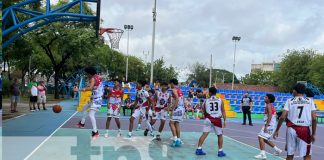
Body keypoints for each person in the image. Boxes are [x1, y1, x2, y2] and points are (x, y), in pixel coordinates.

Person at [273, 83, 317, 160]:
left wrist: (277, 130)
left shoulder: (289, 101)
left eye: (293, 90)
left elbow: (282, 117)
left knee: (290, 154)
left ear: (295, 90)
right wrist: (313, 134)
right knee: (307, 155)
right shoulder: (310, 101)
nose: (292, 92)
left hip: (291, 129)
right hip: (304, 130)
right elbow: (314, 118)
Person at [195, 87, 226, 157]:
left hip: (208, 119)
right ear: (216, 93)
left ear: (210, 93)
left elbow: (202, 108)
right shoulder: (220, 100)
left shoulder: (206, 100)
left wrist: (204, 115)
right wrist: (225, 120)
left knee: (204, 134)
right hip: (217, 120)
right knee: (220, 135)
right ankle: (220, 151)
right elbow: (223, 111)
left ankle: (199, 149)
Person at [75, 67, 103, 140]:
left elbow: (90, 88)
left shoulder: (93, 79)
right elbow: (93, 87)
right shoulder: (97, 77)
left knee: (91, 115)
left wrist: (78, 89)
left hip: (97, 99)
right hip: (94, 98)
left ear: (90, 73)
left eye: (87, 74)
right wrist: (89, 86)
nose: (86, 75)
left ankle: (95, 132)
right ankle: (82, 123)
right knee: (84, 107)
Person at [254, 94, 282, 159]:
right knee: (265, 139)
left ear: (269, 99)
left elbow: (270, 115)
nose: (264, 98)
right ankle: (277, 150)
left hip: (269, 124)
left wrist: (266, 125)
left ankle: (262, 154)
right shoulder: (271, 105)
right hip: (272, 125)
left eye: (266, 97)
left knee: (260, 137)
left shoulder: (268, 105)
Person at [169, 78, 185, 147]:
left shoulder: (174, 90)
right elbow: (182, 99)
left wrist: (172, 109)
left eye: (170, 84)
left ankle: (175, 139)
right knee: (177, 123)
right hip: (182, 108)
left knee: (171, 123)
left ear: (172, 83)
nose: (170, 85)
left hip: (177, 108)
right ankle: (178, 139)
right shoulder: (179, 89)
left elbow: (177, 99)